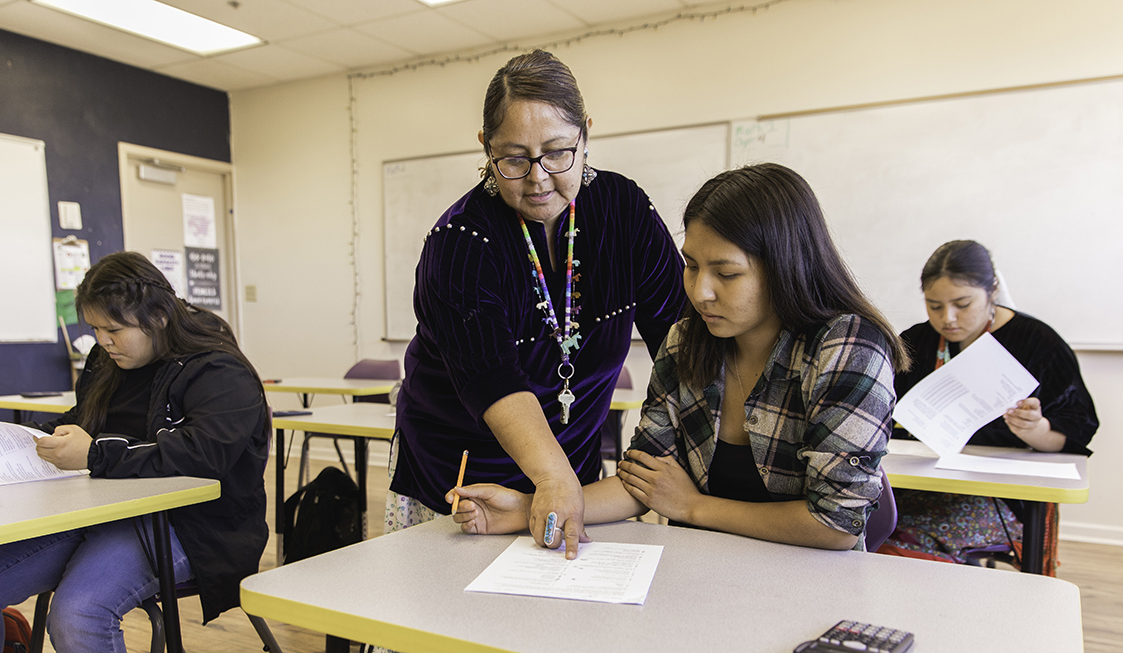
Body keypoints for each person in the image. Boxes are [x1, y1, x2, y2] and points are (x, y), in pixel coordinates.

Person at [448, 163, 908, 553]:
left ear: (786, 266)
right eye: (690, 265)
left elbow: (836, 525)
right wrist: (533, 506)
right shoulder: (687, 341)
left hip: (811, 584)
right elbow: (644, 479)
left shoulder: (847, 348)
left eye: (726, 273)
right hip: (694, 575)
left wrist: (692, 507)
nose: (700, 292)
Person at [388, 49, 686, 555]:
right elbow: (492, 379)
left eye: (557, 152)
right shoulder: (460, 240)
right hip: (466, 478)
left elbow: (680, 339)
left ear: (585, 133)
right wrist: (552, 478)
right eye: (513, 158)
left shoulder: (623, 211)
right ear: (485, 147)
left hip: (573, 471)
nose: (538, 177)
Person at [0, 252, 270, 652]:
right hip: (97, 510)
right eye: (94, 328)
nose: (103, 341)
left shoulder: (218, 370)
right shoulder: (106, 361)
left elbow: (202, 456)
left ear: (158, 316)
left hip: (189, 525)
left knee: (78, 615)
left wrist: (94, 456)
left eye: (113, 329)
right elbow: (83, 423)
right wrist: (32, 439)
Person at [881, 240, 1098, 566]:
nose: (948, 318)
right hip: (918, 481)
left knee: (907, 542)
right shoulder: (915, 342)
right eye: (934, 306)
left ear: (992, 291)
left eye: (962, 304)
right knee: (867, 523)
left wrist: (1035, 429)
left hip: (999, 496)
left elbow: (1077, 430)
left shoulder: (1038, 343)